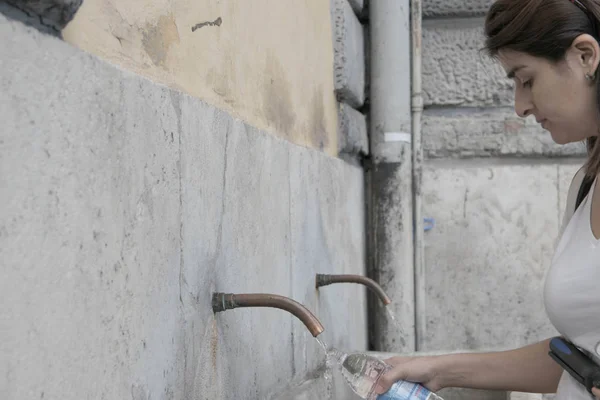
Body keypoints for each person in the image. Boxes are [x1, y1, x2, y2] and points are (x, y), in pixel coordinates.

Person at [374, 0, 600, 399]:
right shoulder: (585, 186)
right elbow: (578, 364)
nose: (520, 106)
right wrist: (438, 369)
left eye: (526, 80)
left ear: (586, 56)